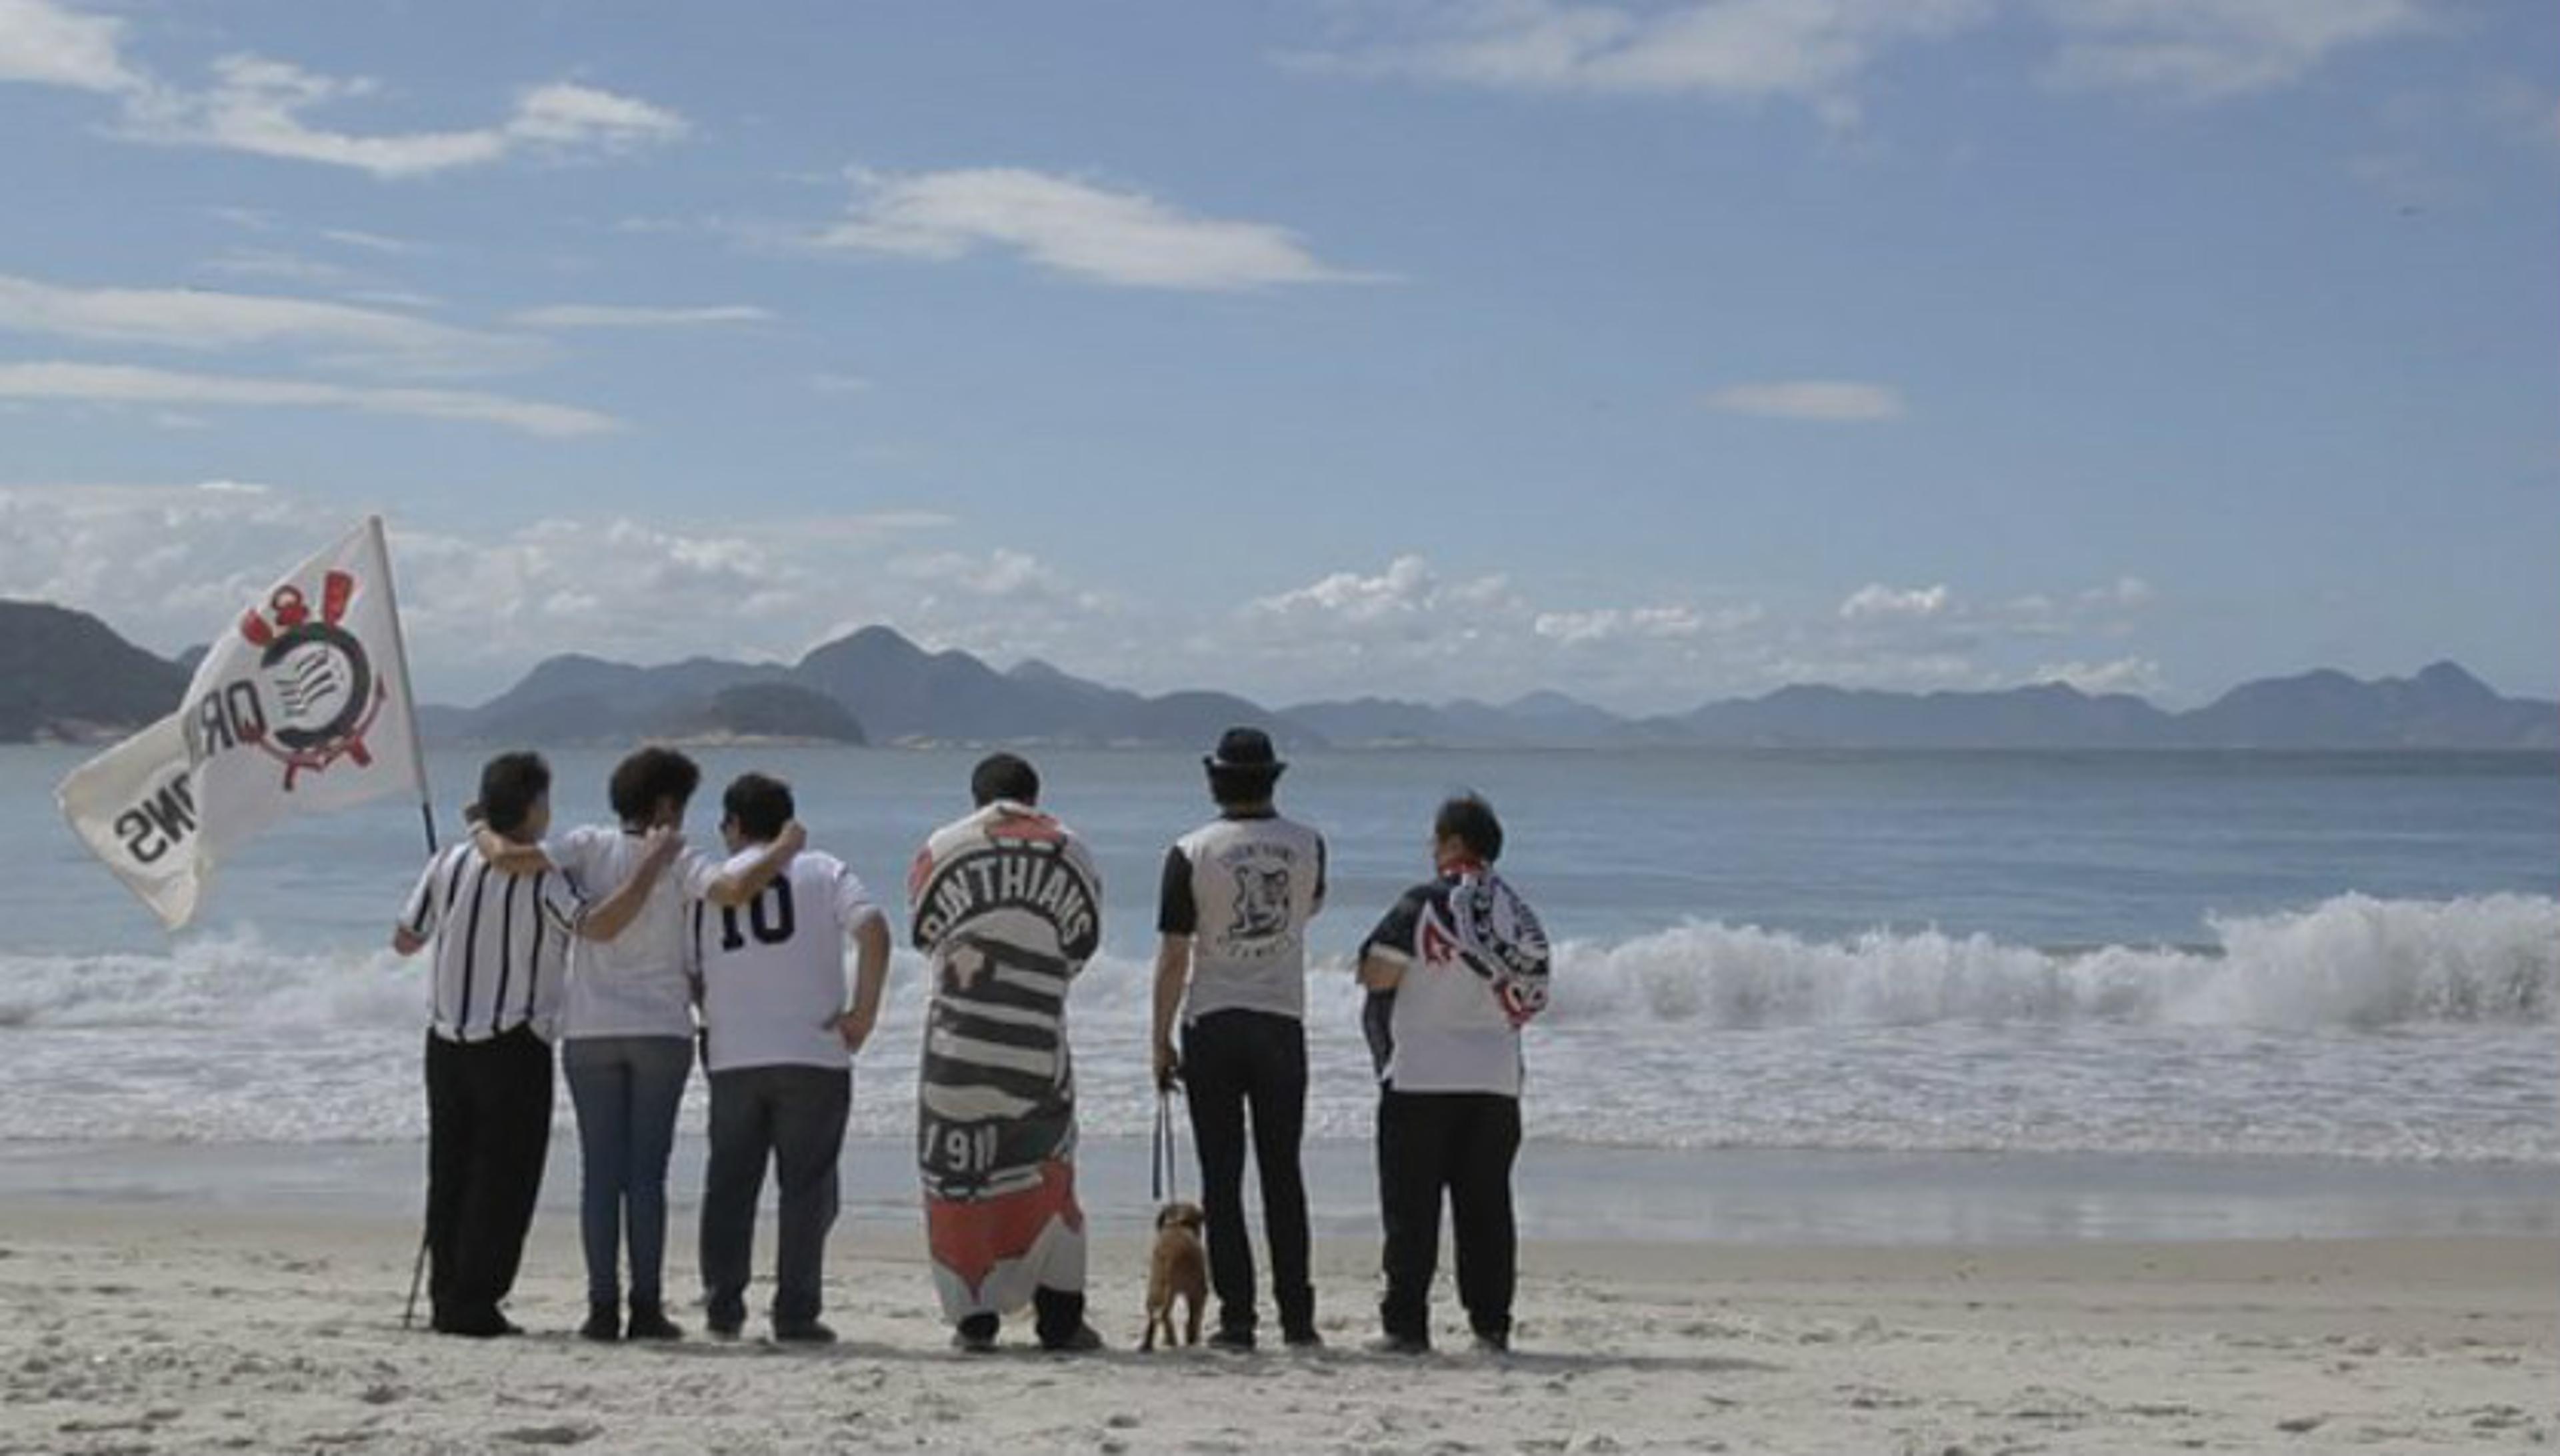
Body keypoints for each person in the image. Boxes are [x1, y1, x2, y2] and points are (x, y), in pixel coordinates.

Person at [470, 747, 803, 1343]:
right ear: (667, 804)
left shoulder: (584, 844)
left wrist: (478, 829)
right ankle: (645, 1306)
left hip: (590, 1029)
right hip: (660, 1030)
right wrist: (783, 848)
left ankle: (601, 1308)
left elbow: (513, 860)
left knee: (600, 1174)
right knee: (646, 1176)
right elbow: (733, 892)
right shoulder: (680, 857)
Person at [391, 751, 669, 1338]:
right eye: (546, 801)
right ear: (533, 808)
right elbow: (598, 926)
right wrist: (647, 870)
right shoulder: (543, 877)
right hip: (513, 1038)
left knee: (451, 1171)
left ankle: (448, 1294)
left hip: (444, 1038)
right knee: (504, 1176)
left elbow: (406, 939)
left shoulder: (447, 862)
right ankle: (477, 1299)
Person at [908, 753, 1107, 1353]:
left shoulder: (939, 847)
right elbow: (1081, 946)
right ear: (1035, 794)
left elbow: (924, 934)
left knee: (958, 1181)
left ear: (977, 799)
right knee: (1048, 1174)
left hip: (955, 1040)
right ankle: (1060, 1318)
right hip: (1038, 1039)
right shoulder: (1074, 849)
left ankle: (975, 1319)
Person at [691, 772, 890, 1344]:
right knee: (806, 1187)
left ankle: (724, 1304)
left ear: (732, 824)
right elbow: (873, 931)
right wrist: (864, 1014)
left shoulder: (710, 880)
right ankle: (796, 1310)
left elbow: (692, 973)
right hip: (812, 1051)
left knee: (730, 1183)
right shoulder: (824, 869)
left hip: (734, 1052)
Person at [1150, 726, 1327, 1350]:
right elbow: (1309, 910)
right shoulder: (1309, 845)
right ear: (1272, 779)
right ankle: (1299, 1318)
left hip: (1214, 1022)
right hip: (1281, 1021)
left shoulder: (1190, 851)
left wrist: (1159, 1038)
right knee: (1284, 1174)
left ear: (1214, 781)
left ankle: (1238, 1318)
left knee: (1221, 1180)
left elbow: (1175, 954)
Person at [1355, 793, 1551, 1355]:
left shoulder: (1422, 903)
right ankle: (1491, 1325)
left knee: (1412, 1210)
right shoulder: (1518, 912)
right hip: (1495, 1080)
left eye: (1435, 839)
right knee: (1487, 1207)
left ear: (1451, 844)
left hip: (1421, 1074)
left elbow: (1378, 974)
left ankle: (1406, 1326)